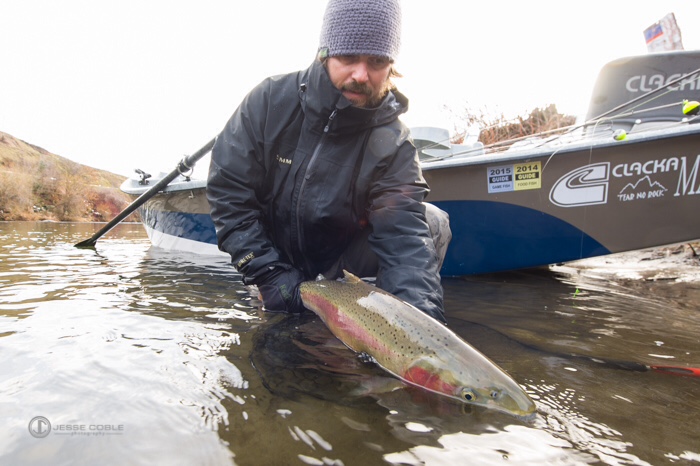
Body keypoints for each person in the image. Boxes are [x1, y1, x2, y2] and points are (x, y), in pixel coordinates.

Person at [207, 0, 452, 323]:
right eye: (349, 58)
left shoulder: (394, 143)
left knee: (432, 222)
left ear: (391, 66)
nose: (361, 74)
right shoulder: (269, 101)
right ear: (325, 54)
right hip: (273, 259)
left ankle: (377, 322)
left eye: (377, 61)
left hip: (341, 269)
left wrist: (421, 327)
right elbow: (230, 195)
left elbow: (403, 240)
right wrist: (269, 273)